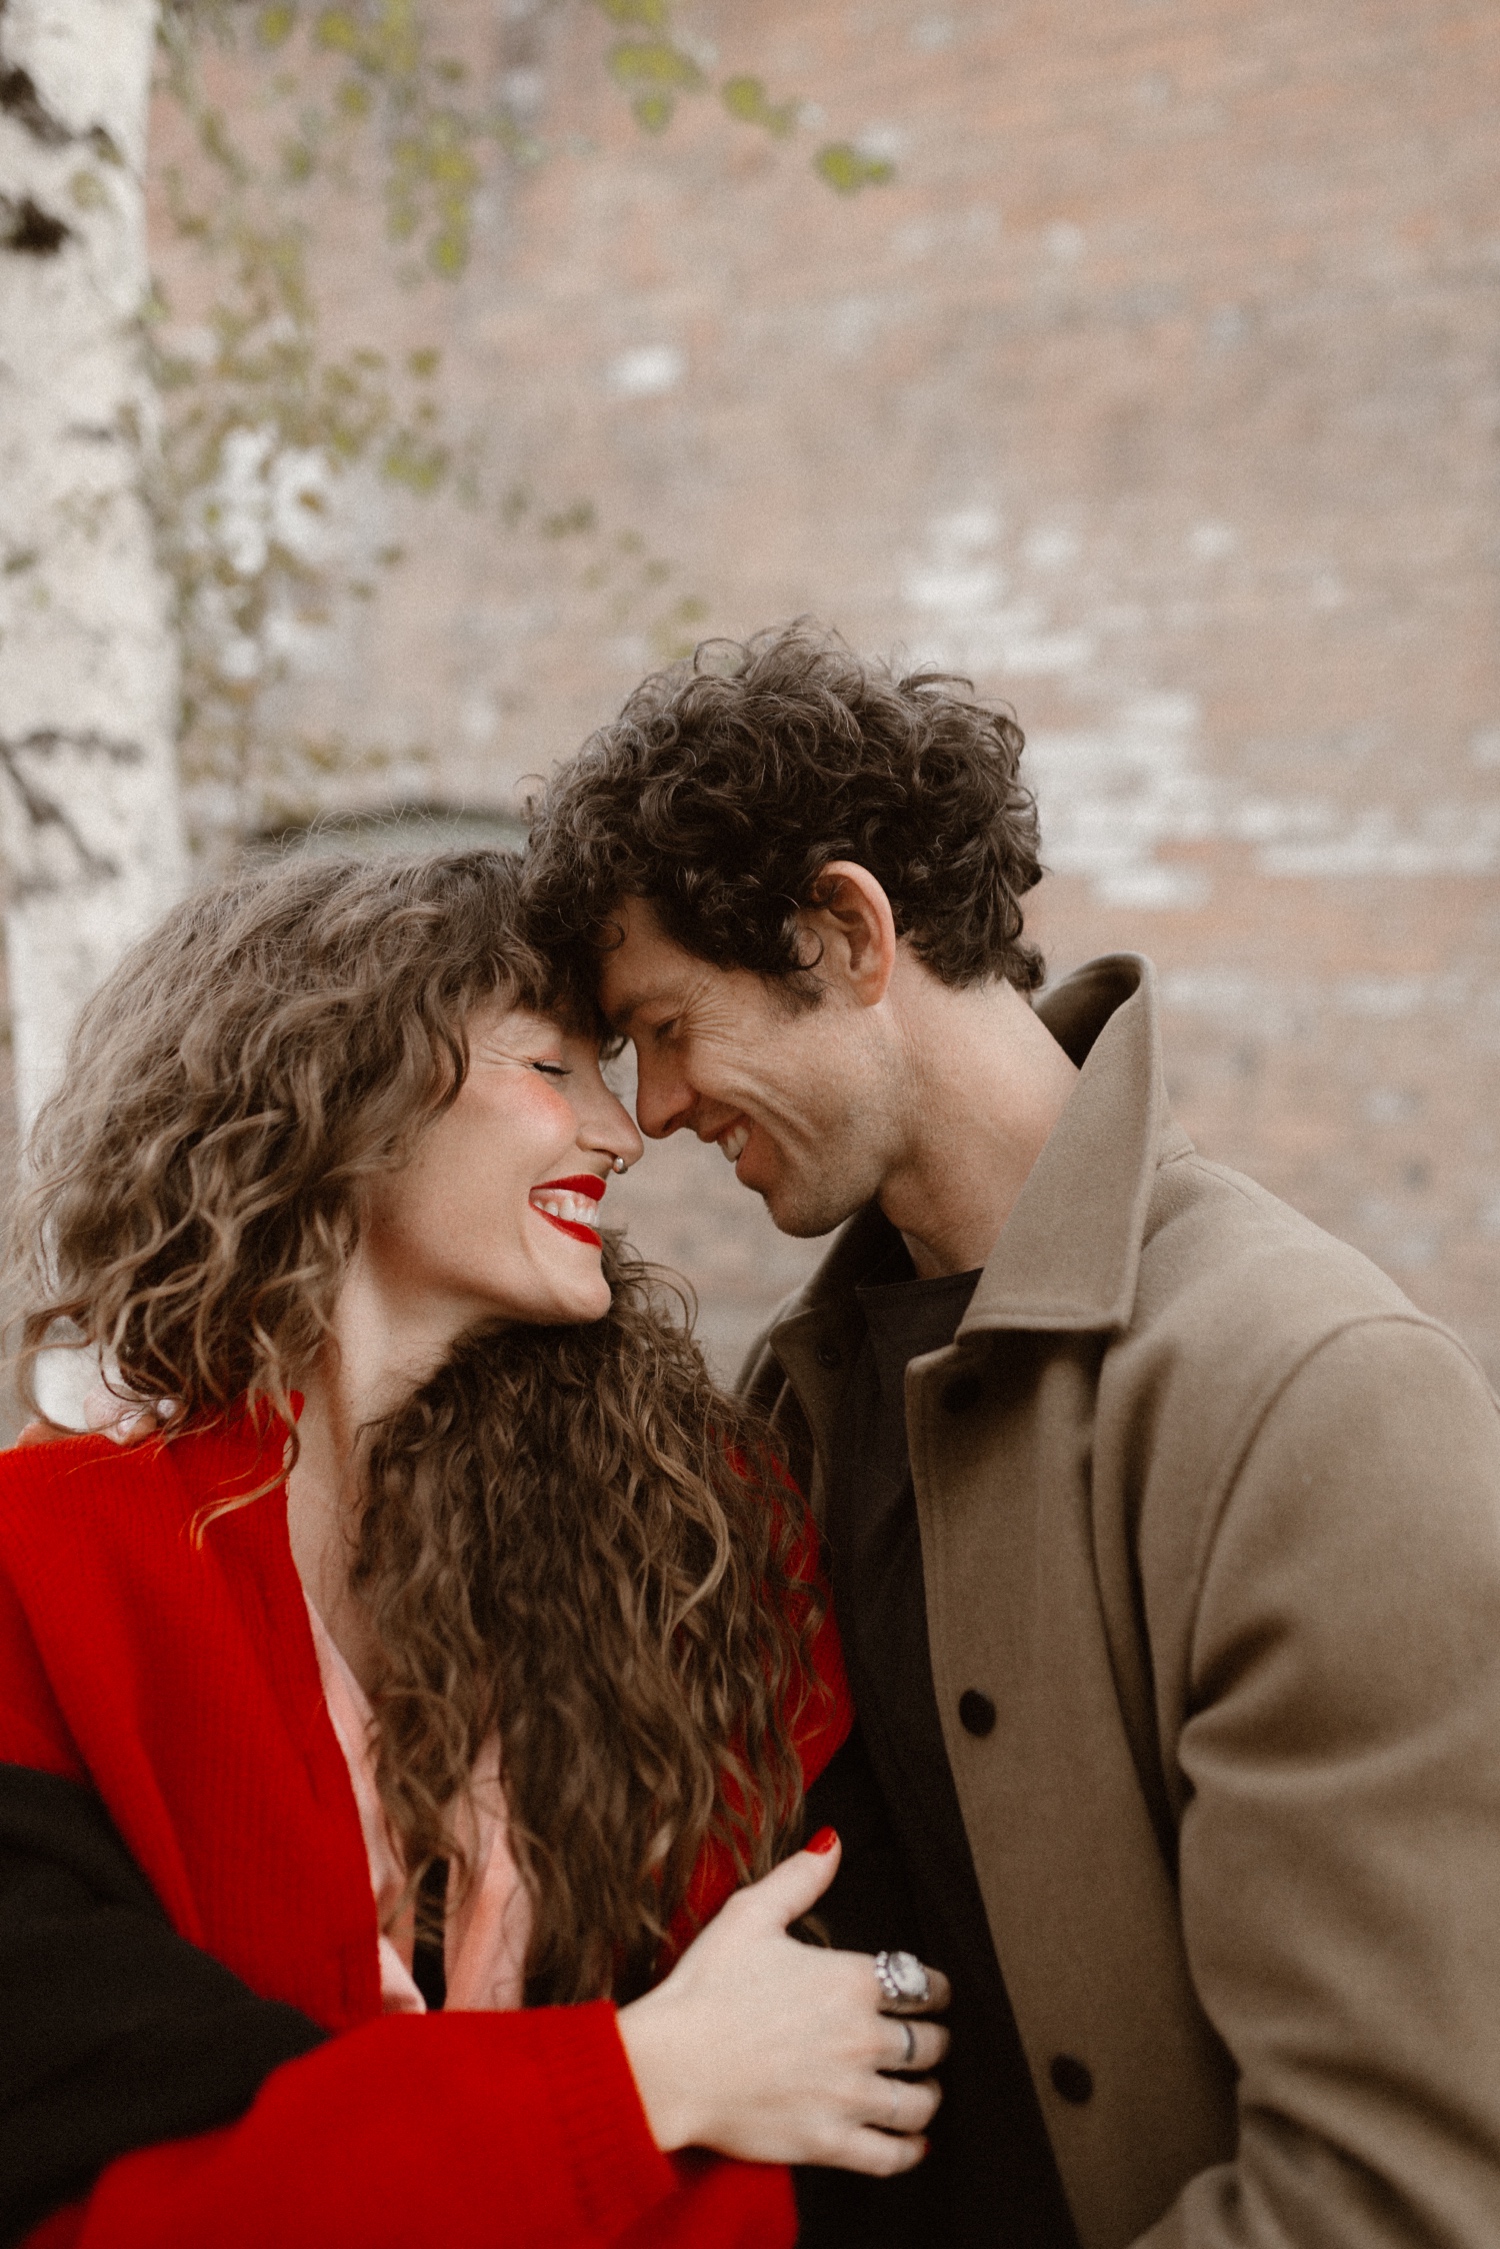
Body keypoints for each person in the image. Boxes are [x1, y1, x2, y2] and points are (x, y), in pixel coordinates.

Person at [524, 623, 1500, 2249]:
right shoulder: (792, 1404)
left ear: (847, 931)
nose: (654, 1111)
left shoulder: (1312, 1396)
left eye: (669, 1026)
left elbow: (1394, 2184)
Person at [0, 846, 953, 2249]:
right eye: (553, 1067)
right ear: (340, 1094)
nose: (625, 1134)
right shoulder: (45, 1572)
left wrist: (381, 2147)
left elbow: (850, 2102)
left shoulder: (700, 1552)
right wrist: (649, 2081)